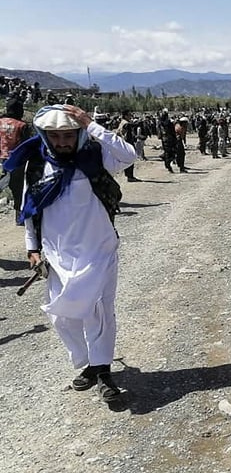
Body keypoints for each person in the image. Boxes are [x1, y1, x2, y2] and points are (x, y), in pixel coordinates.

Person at [2, 104, 136, 402]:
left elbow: (128, 155)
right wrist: (32, 248)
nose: (62, 142)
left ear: (79, 134)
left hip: (98, 249)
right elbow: (30, 209)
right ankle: (88, 362)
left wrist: (90, 124)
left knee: (99, 312)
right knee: (63, 316)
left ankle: (102, 370)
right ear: (45, 136)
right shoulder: (37, 165)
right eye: (55, 136)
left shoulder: (95, 157)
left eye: (68, 135)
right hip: (57, 254)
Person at [0, 95, 31, 220]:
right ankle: (19, 217)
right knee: (18, 189)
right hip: (16, 160)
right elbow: (25, 144)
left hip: (1, 157)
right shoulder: (22, 125)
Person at [115, 110, 141, 182]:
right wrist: (138, 123)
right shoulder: (125, 123)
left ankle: (129, 175)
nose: (130, 116)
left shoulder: (122, 122)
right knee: (131, 159)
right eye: (129, 115)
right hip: (127, 143)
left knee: (127, 160)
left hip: (124, 143)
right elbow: (128, 126)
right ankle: (130, 176)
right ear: (125, 115)